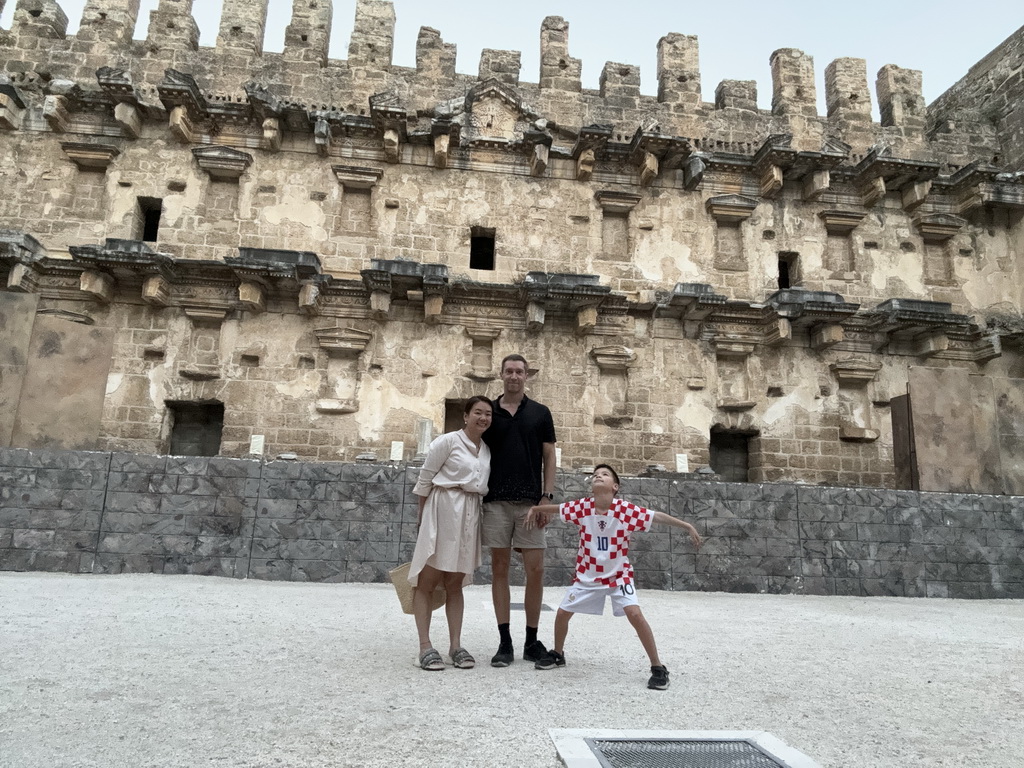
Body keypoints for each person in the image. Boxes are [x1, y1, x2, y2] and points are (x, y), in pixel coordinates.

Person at [525, 463, 703, 690]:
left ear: (615, 486)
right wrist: (536, 509)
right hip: (588, 576)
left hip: (619, 576)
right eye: (596, 474)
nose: (598, 476)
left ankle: (658, 667)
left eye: (605, 474)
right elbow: (559, 508)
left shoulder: (625, 510)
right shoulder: (582, 507)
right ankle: (558, 653)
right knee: (562, 613)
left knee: (635, 614)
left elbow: (656, 516)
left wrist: (686, 525)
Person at [481, 353, 557, 667]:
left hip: (530, 503)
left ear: (527, 376)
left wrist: (547, 498)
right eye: (509, 371)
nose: (514, 376)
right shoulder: (489, 412)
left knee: (535, 571)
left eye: (519, 371)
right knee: (499, 570)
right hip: (496, 500)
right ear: (501, 375)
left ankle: (530, 639)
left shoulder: (540, 412)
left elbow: (550, 456)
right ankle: (505, 641)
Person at [409, 396, 493, 671]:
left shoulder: (486, 450)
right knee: (428, 579)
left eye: (488, 414)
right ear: (466, 416)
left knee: (455, 581)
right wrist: (423, 519)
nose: (483, 418)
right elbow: (425, 479)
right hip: (443, 508)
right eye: (478, 412)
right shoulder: (447, 441)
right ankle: (425, 646)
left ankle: (455, 645)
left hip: (469, 512)